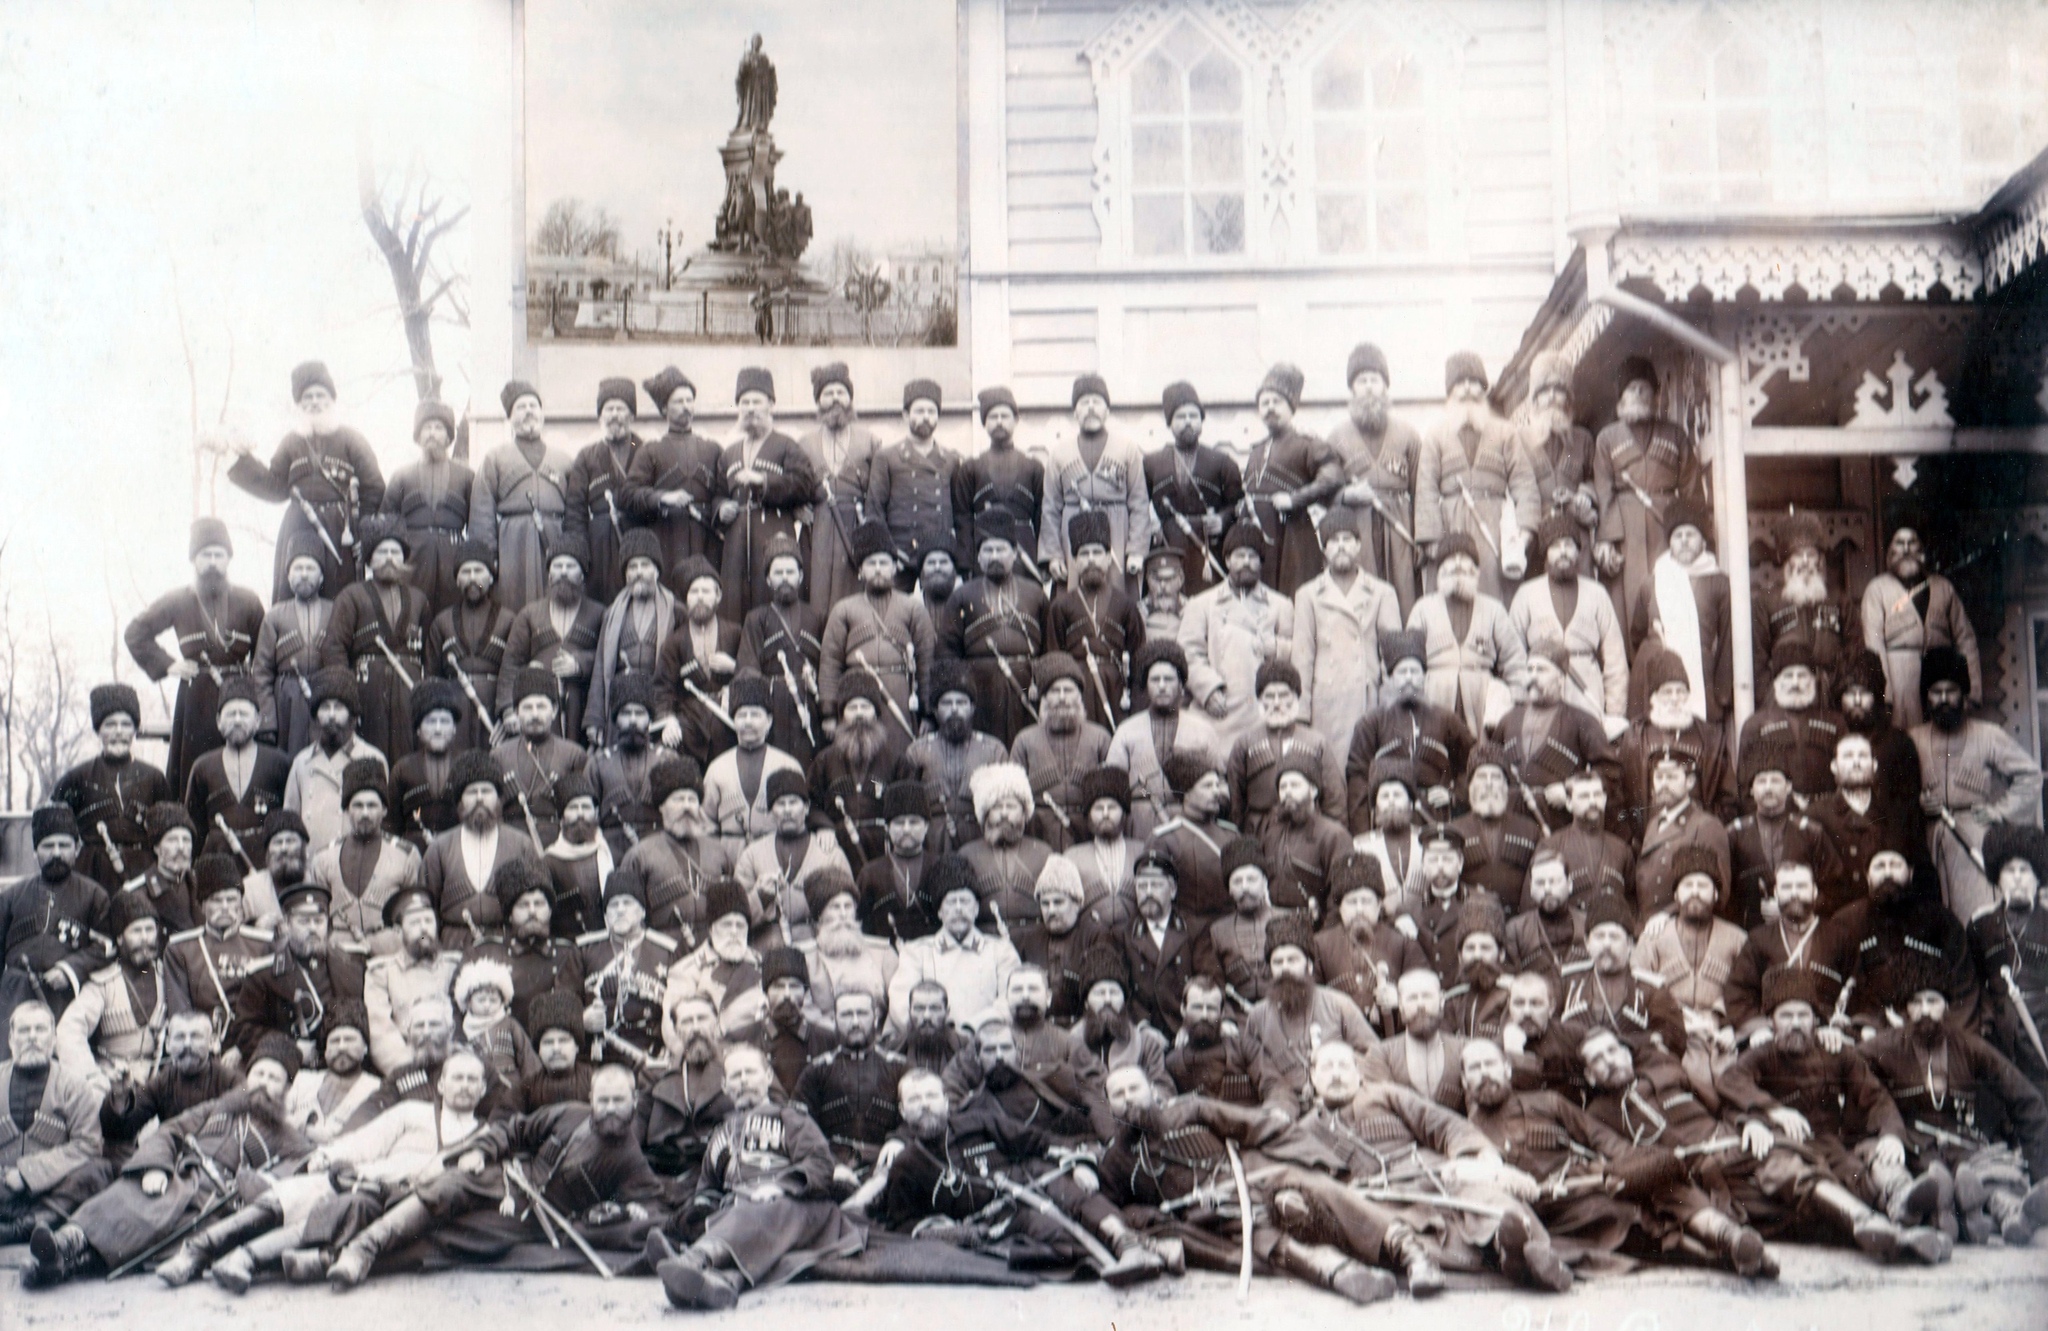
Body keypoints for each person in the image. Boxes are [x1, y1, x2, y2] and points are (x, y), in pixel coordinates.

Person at [329, 1062, 662, 1287]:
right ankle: (362, 1247)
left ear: (634, 1100)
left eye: (619, 1100)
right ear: (591, 1099)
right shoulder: (568, 1114)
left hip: (531, 1219)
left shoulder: (631, 1160)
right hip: (504, 1181)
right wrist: (481, 1151)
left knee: (460, 1238)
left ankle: (327, 1259)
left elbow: (647, 1204)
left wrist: (622, 1209)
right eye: (603, 1100)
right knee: (448, 1187)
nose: (611, 1108)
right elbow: (513, 1130)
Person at [24, 1035, 310, 1289]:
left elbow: (295, 1177)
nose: (263, 1082)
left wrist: (252, 1184)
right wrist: (154, 1167)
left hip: (215, 1202)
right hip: (176, 1175)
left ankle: (61, 1266)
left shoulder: (290, 1138)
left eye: (274, 1078)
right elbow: (171, 1131)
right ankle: (65, 1241)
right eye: (259, 1073)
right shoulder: (218, 1107)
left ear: (287, 1087)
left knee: (158, 1233)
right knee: (126, 1194)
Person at [1716, 970, 1954, 1262]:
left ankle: (1903, 1199)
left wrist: (1892, 1136)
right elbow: (1730, 1081)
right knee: (1794, 1175)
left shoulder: (1836, 1053)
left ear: (1816, 1019)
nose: (1795, 1025)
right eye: (1786, 1016)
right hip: (1786, 1146)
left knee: (1871, 1159)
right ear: (1771, 1021)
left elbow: (1875, 1097)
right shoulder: (1762, 1054)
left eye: (1803, 1015)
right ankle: (1876, 1221)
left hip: (1830, 1146)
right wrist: (1773, 1111)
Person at [652, 1043, 863, 1310]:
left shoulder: (791, 1118)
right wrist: (703, 1206)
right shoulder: (721, 1133)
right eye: (736, 1076)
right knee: (724, 1214)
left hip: (798, 1208)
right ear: (726, 1087)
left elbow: (820, 1164)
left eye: (750, 1073)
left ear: (767, 1077)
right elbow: (708, 1186)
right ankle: (720, 1285)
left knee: (761, 1209)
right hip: (744, 1213)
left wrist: (781, 1186)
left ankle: (697, 1258)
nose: (743, 1082)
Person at [1859, 957, 2048, 1244]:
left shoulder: (1970, 1047)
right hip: (1908, 1146)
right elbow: (1849, 1071)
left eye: (1932, 1001)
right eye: (1916, 1001)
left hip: (1962, 1145)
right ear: (1906, 1007)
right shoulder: (1883, 1046)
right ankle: (1928, 1211)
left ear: (1946, 1005)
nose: (1924, 1011)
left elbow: (2027, 1100)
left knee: (1986, 1172)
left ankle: (2010, 1214)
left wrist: (2041, 1172)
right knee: (1889, 1166)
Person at [1574, 1027, 1790, 1276]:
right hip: (1682, 1180)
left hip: (1723, 1157)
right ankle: (1735, 1240)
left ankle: (1752, 1250)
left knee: (1780, 1174)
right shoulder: (1596, 1115)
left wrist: (1749, 1122)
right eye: (1597, 1060)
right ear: (1590, 1076)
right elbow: (1623, 1159)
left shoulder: (1669, 1074)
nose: (1608, 1061)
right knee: (1665, 1190)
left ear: (1627, 1054)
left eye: (1612, 1051)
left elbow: (1720, 1106)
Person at [1458, 1037, 1642, 1268]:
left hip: (1578, 1200)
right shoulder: (1464, 1132)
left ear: (1506, 1069)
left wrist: (1638, 1167)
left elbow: (1602, 1139)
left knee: (1625, 1216)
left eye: (1490, 1064)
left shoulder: (1548, 1102)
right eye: (1475, 1068)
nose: (1485, 1073)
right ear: (1465, 1081)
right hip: (1532, 1216)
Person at [124, 518, 267, 793]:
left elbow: (265, 653)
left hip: (239, 698)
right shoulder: (178, 600)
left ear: (228, 559)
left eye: (219, 555)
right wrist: (168, 665)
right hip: (196, 701)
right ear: (194, 559)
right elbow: (135, 633)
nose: (213, 562)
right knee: (193, 777)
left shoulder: (248, 600)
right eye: (205, 555)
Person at [224, 361, 386, 601]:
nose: (314, 401)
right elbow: (275, 487)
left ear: (331, 400)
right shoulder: (291, 441)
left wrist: (364, 534)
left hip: (341, 530)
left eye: (320, 395)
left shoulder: (352, 439)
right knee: (294, 592)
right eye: (307, 397)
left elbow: (374, 489)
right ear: (299, 404)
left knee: (341, 597)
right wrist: (240, 459)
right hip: (297, 525)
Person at [1912, 645, 2044, 920]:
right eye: (1936, 692)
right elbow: (1896, 792)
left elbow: (2030, 775)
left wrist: (2000, 812)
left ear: (1963, 694)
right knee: (1931, 921)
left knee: (1975, 917)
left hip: (1973, 843)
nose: (1944, 699)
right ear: (1927, 696)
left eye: (1952, 691)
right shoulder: (1913, 740)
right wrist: (1918, 803)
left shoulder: (1988, 735)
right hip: (1926, 844)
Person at [1415, 352, 1539, 599]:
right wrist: (1433, 542)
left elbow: (1524, 483)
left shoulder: (1505, 432)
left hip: (1495, 528)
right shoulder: (1436, 435)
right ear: (1450, 392)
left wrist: (1522, 535)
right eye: (1460, 383)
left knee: (1496, 596)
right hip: (1451, 529)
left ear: (1484, 390)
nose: (1467, 389)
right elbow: (1426, 489)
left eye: (1474, 382)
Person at [1592, 356, 1702, 630]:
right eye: (1631, 388)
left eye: (1644, 388)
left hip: (1667, 525)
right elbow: (1603, 489)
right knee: (1626, 599)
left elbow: (1690, 486)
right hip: (1624, 529)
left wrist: (1690, 530)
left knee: (1669, 592)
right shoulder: (1607, 437)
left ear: (1655, 394)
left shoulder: (1676, 435)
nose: (1638, 393)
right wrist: (1607, 540)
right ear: (1621, 397)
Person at [0, 1002, 114, 1247]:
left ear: (53, 1039)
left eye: (40, 1030)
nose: (32, 1037)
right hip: (3, 1188)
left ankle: (25, 1228)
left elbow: (88, 1145)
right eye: (24, 1030)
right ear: (11, 1038)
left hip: (53, 1193)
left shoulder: (74, 1086)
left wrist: (28, 1173)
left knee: (97, 1170)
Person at [1631, 845, 1745, 1090]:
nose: (1695, 893)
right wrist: (1678, 1019)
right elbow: (1637, 988)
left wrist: (1721, 1021)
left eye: (1703, 886)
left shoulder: (1737, 938)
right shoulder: (1654, 937)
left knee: (1730, 1079)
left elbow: (1747, 990)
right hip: (1671, 1032)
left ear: (1715, 894)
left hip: (1722, 1033)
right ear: (1676, 896)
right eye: (1687, 886)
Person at [320, 516, 430, 764]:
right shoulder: (352, 595)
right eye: (382, 552)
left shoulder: (419, 599)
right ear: (369, 558)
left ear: (404, 557)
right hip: (367, 688)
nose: (390, 557)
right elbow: (334, 647)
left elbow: (428, 655)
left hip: (408, 688)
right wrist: (348, 695)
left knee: (409, 753)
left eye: (395, 551)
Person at [1834, 851, 1979, 1036]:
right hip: (1864, 1032)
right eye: (1880, 866)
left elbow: (1964, 986)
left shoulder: (1940, 920)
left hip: (1930, 1032)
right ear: (1867, 876)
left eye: (1895, 865)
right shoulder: (1846, 923)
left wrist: (1953, 1037)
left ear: (1910, 873)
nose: (1888, 873)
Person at [1291, 509, 1401, 753]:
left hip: (1367, 700)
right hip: (1326, 703)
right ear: (1324, 548)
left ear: (1358, 545)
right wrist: (1301, 711)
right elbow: (1302, 657)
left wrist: (1390, 705)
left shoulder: (1382, 592)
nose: (1340, 546)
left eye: (1347, 540)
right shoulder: (1307, 595)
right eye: (1333, 541)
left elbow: (1392, 657)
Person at [1862, 507, 1981, 730]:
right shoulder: (1877, 589)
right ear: (1889, 551)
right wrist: (1884, 694)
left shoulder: (1943, 587)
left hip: (1941, 680)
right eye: (1899, 542)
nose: (1906, 549)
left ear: (1922, 549)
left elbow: (1965, 638)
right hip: (1900, 681)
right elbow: (1874, 644)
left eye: (1912, 542)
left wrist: (1971, 690)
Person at [54, 892, 186, 1091]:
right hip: (112, 1079)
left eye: (150, 929)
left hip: (160, 1079)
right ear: (120, 938)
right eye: (136, 931)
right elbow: (69, 1031)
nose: (144, 938)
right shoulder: (103, 982)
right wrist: (92, 1076)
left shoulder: (167, 974)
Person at [1326, 342, 1423, 613]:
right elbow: (1324, 491)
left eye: (1375, 380)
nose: (1369, 387)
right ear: (1352, 389)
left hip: (1400, 526)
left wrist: (1423, 537)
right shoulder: (1336, 438)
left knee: (1404, 592)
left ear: (1385, 387)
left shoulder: (1408, 435)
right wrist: (1345, 495)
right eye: (1362, 381)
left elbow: (1422, 491)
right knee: (1363, 593)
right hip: (1358, 525)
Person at [1347, 629, 1476, 833]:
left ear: (1424, 676)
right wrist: (1363, 833)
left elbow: (1472, 761)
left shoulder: (1446, 719)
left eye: (1415, 672)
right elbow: (1357, 778)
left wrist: (1454, 795)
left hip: (1434, 817)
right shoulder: (1371, 722)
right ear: (1389, 678)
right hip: (1388, 819)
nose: (1409, 679)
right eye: (1402, 672)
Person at [716, 367, 818, 622]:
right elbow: (716, 493)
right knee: (734, 603)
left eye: (757, 401)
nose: (750, 409)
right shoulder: (729, 453)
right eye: (744, 402)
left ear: (771, 404)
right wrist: (721, 508)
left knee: (770, 596)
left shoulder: (786, 445)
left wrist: (763, 480)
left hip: (773, 531)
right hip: (736, 541)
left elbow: (804, 483)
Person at [822, 520, 937, 747]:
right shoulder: (843, 609)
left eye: (884, 563)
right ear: (860, 571)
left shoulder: (913, 608)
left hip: (901, 693)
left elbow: (926, 661)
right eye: (870, 563)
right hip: (857, 697)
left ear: (895, 568)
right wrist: (828, 712)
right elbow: (830, 662)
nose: (877, 569)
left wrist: (928, 713)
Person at [1179, 520, 1293, 749]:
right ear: (1228, 560)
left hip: (1261, 710)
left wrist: (1275, 648)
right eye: (1239, 556)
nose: (1246, 563)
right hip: (1218, 709)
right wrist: (1208, 690)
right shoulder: (1203, 604)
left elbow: (1297, 652)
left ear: (1261, 562)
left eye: (1253, 556)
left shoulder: (1280, 605)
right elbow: (1186, 653)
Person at [1510, 514, 1629, 728]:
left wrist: (1614, 713)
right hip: (1541, 690)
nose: (1563, 552)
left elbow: (1615, 658)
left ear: (1578, 551)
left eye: (1569, 545)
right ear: (1546, 553)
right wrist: (1521, 699)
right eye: (1555, 546)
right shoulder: (1526, 594)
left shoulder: (1597, 593)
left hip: (1587, 691)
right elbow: (1513, 654)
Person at [1041, 374, 1154, 595]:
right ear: (1075, 412)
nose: (1091, 408)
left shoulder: (1127, 449)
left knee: (1118, 598)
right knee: (1074, 597)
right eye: (1084, 403)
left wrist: (1136, 550)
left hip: (1117, 531)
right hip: (1072, 530)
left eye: (1097, 402)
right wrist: (1053, 554)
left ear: (1107, 410)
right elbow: (1050, 508)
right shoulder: (1059, 453)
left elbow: (1139, 503)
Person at [53, 684, 173, 891]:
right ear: (98, 729)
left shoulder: (153, 777)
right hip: (92, 872)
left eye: (126, 724)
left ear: (135, 730)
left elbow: (169, 829)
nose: (119, 731)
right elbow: (55, 826)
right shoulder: (77, 777)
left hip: (143, 870)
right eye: (110, 724)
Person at [1236, 363, 1342, 597]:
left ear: (1291, 407)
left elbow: (1332, 477)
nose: (1270, 408)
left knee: (1292, 597)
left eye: (1277, 402)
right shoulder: (1255, 449)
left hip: (1292, 534)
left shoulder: (1308, 443)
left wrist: (1295, 499)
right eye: (1265, 403)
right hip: (1256, 536)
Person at [886, 855, 1019, 1036]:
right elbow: (900, 1002)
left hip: (985, 1041)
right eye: (950, 902)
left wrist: (972, 1029)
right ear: (940, 912)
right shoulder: (917, 952)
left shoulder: (1000, 950)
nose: (958, 909)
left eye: (964, 901)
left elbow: (1010, 1000)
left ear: (976, 909)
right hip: (934, 1042)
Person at [1495, 641, 1619, 835]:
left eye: (1542, 670)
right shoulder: (1508, 719)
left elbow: (1610, 772)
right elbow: (1491, 763)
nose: (1533, 676)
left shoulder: (1582, 721)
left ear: (1561, 678)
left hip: (1559, 825)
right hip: (1512, 825)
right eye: (1530, 669)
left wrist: (1569, 789)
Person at [1407, 535, 1527, 737]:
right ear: (1439, 570)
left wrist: (1516, 698)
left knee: (1480, 753)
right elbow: (1409, 659)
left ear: (1476, 571)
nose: (1457, 564)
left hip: (1480, 695)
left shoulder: (1493, 609)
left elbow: (1514, 660)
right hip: (1435, 695)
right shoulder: (1423, 608)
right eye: (1450, 560)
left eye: (1464, 560)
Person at [420, 751, 543, 948]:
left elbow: (537, 902)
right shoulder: (439, 848)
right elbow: (424, 908)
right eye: (471, 792)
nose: (479, 798)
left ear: (498, 798)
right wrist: (432, 949)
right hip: (453, 945)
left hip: (508, 944)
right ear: (460, 800)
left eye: (486, 791)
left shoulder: (521, 844)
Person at [1724, 860, 1851, 1048]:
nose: (1794, 893)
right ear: (1776, 894)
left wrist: (1839, 1028)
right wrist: (1759, 1028)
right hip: (1773, 1037)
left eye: (1801, 886)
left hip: (1826, 1036)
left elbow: (1857, 991)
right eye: (1786, 887)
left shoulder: (1839, 937)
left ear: (1814, 891)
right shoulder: (1759, 939)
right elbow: (1739, 992)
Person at [473, 380, 573, 614]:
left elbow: (575, 511)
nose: (528, 411)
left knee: (556, 604)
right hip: (511, 543)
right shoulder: (495, 458)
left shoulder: (564, 460)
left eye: (533, 406)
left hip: (554, 539)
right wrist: (488, 558)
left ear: (542, 414)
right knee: (510, 604)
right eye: (521, 407)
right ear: (510, 417)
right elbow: (482, 511)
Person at [1629, 497, 1732, 722]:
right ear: (1670, 543)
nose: (1684, 541)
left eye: (1690, 534)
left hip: (1700, 676)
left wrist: (1722, 693)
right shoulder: (1652, 582)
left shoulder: (1719, 582)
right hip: (1654, 673)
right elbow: (1636, 634)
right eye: (1678, 536)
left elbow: (1728, 640)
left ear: (1703, 542)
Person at [496, 530, 607, 741]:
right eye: (557, 566)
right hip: (540, 708)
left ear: (582, 573)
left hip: (582, 707)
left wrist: (581, 663)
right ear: (549, 573)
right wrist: (508, 708)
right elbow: (511, 664)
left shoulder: (599, 613)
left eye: (570, 566)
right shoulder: (529, 613)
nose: (563, 572)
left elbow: (608, 659)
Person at [788, 362, 879, 615]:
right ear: (818, 401)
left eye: (841, 392)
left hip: (855, 523)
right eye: (828, 393)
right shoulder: (804, 443)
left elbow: (879, 489)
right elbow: (794, 484)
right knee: (814, 588)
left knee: (854, 588)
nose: (835, 399)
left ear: (850, 398)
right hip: (817, 525)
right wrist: (797, 509)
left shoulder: (870, 440)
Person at [1619, 648, 1737, 838]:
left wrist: (1706, 831)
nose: (1675, 699)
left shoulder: (1710, 737)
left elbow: (1728, 797)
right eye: (1667, 692)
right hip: (1649, 839)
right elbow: (1621, 796)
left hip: (1697, 837)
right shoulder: (1634, 738)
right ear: (1653, 697)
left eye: (1681, 692)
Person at [1726, 740, 1844, 928]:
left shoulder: (1810, 832)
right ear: (1751, 790)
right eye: (1761, 781)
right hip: (1751, 931)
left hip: (1803, 927)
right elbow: (1726, 892)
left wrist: (1798, 906)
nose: (1768, 788)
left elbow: (1834, 888)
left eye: (1775, 780)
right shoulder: (1735, 834)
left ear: (1788, 786)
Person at [227, 878, 342, 1069]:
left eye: (319, 921)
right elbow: (246, 1032)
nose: (313, 928)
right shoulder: (263, 974)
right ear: (287, 924)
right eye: (304, 921)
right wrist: (291, 1047)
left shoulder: (349, 965)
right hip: (289, 1069)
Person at [793, 989, 904, 1185]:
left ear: (875, 1017)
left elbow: (917, 1113)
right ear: (834, 1019)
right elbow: (798, 1124)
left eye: (862, 1013)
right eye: (846, 1014)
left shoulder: (899, 1067)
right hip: (832, 1168)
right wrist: (832, 1164)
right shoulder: (817, 1071)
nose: (855, 1022)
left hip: (887, 1166)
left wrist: (900, 1139)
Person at [1048, 511, 1147, 731]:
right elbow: (1054, 658)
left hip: (1118, 689)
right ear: (1074, 560)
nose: (1091, 559)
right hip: (1077, 691)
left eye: (1097, 552)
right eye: (1083, 554)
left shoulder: (1126, 604)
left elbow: (1139, 656)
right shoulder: (1061, 606)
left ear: (1108, 557)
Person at [623, 366, 724, 580]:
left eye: (689, 400)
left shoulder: (713, 449)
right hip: (666, 538)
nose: (686, 406)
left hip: (706, 540)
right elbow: (628, 494)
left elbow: (722, 493)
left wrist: (720, 508)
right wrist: (662, 498)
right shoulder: (650, 450)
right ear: (664, 409)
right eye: (679, 401)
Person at [1143, 380, 1241, 595]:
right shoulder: (1150, 463)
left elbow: (1237, 505)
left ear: (1201, 420)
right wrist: (1152, 523)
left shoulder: (1222, 462)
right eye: (1180, 416)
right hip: (1168, 545)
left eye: (1193, 416)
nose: (1188, 422)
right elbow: (1139, 502)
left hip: (1207, 548)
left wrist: (1222, 519)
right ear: (1169, 422)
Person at [734, 769, 852, 948]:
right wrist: (761, 896)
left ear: (806, 807)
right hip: (765, 947)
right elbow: (735, 915)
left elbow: (848, 910)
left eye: (793, 802)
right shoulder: (752, 854)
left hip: (818, 946)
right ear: (770, 811)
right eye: (780, 803)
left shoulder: (830, 854)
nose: (787, 810)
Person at [1559, 892, 1685, 1058]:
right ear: (1587, 943)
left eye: (1614, 936)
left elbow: (1674, 1040)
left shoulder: (1651, 988)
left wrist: (1628, 1043)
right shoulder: (1566, 980)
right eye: (1599, 936)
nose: (1606, 944)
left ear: (1630, 944)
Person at [380, 398, 474, 621]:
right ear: (418, 436)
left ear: (449, 437)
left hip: (452, 555)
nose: (432, 433)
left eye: (439, 428)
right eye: (427, 428)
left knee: (452, 615)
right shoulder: (401, 476)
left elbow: (477, 522)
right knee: (411, 610)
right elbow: (387, 522)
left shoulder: (467, 476)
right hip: (413, 557)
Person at [899, 661, 1007, 851]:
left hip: (980, 839)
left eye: (961, 702)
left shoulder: (993, 750)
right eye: (947, 703)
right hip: (932, 841)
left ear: (972, 708)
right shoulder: (917, 751)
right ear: (935, 710)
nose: (954, 709)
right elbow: (907, 805)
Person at [181, 678, 291, 862]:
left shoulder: (279, 762)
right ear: (218, 721)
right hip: (217, 859)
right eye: (231, 714)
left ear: (257, 720)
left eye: (244, 714)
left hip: (265, 858)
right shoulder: (202, 766)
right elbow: (193, 825)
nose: (237, 720)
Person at [1314, 854, 1425, 1034]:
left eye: (1366, 901)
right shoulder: (1320, 944)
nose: (1359, 909)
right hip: (1338, 1035)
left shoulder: (1402, 942)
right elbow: (1313, 998)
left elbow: (1423, 988)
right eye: (1351, 902)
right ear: (1340, 907)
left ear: (1379, 904)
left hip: (1391, 1035)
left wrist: (1400, 998)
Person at [1971, 824, 2048, 1084]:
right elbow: (1972, 983)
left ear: (2038, 877)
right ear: (1997, 877)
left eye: (2024, 870)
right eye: (2009, 870)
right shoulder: (1980, 924)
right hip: (1997, 1036)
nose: (2016, 878)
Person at [591, 529, 682, 747]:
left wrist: (672, 715)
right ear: (625, 574)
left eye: (645, 565)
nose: (638, 572)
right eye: (632, 567)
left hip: (659, 704)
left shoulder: (677, 611)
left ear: (657, 571)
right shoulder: (612, 614)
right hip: (620, 708)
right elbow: (601, 666)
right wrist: (595, 719)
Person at [738, 536, 824, 766]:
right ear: (768, 579)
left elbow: (827, 666)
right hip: (773, 706)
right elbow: (748, 667)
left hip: (809, 706)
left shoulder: (816, 617)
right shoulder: (756, 618)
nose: (785, 578)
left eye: (790, 571)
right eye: (778, 573)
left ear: (801, 576)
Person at [583, 872, 685, 1066]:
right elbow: (566, 996)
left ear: (643, 912)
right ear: (605, 914)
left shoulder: (668, 950)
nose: (620, 910)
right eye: (613, 905)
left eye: (628, 903)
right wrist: (581, 1020)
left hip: (653, 1054)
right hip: (599, 1056)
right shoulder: (585, 950)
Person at [165, 854, 273, 1036]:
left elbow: (270, 1011)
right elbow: (181, 1012)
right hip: (203, 1040)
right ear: (201, 905)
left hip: (252, 1040)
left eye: (231, 899)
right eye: (216, 900)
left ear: (240, 904)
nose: (225, 907)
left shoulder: (263, 944)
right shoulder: (180, 949)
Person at [282, 669, 387, 854]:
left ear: (352, 715)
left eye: (338, 707)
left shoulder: (372, 758)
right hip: (312, 866)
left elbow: (383, 822)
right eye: (324, 707)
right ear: (315, 715)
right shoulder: (302, 762)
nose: (331, 715)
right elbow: (290, 821)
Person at [424, 540, 515, 752]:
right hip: (455, 714)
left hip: (495, 711)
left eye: (479, 571)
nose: (473, 578)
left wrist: (506, 712)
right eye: (465, 572)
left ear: (491, 577)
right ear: (457, 579)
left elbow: (514, 671)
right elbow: (432, 677)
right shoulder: (442, 621)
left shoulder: (509, 620)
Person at [1515, 352, 1599, 580]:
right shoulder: (1517, 439)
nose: (1551, 397)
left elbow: (1596, 479)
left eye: (1559, 390)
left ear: (1568, 399)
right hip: (1535, 535)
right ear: (1534, 400)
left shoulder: (1583, 439)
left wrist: (1584, 496)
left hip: (1574, 535)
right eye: (1544, 392)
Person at [652, 556, 742, 768]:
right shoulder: (675, 641)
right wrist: (668, 720)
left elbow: (751, 673)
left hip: (727, 718)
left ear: (718, 596)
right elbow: (662, 689)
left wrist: (733, 667)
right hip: (690, 722)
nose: (700, 597)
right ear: (686, 598)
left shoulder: (735, 633)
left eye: (706, 591)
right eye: (694, 592)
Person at [249, 539, 336, 758]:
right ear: (288, 576)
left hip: (325, 699)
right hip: (286, 702)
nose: (304, 574)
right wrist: (268, 720)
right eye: (298, 568)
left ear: (322, 576)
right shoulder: (275, 616)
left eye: (310, 568)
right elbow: (261, 672)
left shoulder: (335, 611)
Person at [1753, 512, 1854, 699]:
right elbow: (1758, 658)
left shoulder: (1838, 598)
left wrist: (1841, 685)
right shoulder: (1766, 601)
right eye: (1799, 555)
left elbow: (1854, 647)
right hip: (1787, 693)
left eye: (1812, 554)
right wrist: (1770, 697)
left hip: (1832, 694)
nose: (1806, 562)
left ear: (1820, 560)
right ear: (1787, 561)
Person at [563, 377, 645, 606]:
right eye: (609, 409)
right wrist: (580, 552)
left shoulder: (644, 450)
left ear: (632, 416)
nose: (615, 415)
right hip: (598, 542)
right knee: (600, 602)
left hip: (637, 534)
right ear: (600, 416)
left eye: (621, 408)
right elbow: (575, 510)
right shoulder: (587, 456)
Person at [700, 674, 806, 852]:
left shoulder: (787, 765)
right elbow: (705, 822)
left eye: (755, 715)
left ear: (769, 721)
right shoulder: (717, 768)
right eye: (742, 715)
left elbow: (801, 819)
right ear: (733, 720)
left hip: (774, 853)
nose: (748, 722)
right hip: (727, 853)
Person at [809, 678, 906, 871]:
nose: (859, 713)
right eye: (852, 707)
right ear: (842, 714)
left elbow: (905, 804)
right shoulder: (825, 760)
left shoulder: (895, 759)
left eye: (865, 706)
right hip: (837, 845)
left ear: (876, 713)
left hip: (883, 847)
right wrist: (823, 826)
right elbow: (810, 802)